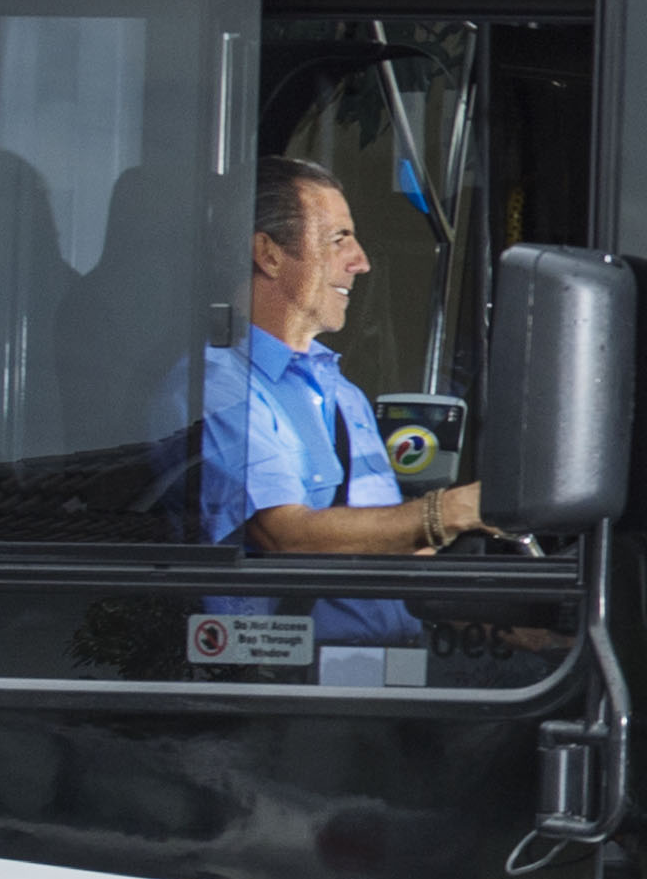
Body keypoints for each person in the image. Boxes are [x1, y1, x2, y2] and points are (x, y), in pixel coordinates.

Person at [193, 158, 478, 657]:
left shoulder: (340, 391)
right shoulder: (219, 388)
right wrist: (451, 511)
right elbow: (286, 535)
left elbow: (402, 549)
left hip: (390, 672)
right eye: (338, 239)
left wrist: (517, 633)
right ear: (269, 254)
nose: (361, 261)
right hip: (286, 688)